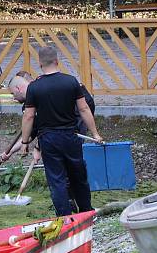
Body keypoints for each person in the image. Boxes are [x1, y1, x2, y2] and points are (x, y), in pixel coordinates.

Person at [21, 46, 103, 216]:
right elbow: (84, 109)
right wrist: (95, 133)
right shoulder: (71, 81)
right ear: (57, 61)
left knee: (57, 180)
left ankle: (65, 218)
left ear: (40, 64)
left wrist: (24, 142)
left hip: (48, 139)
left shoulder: (34, 87)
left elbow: (29, 116)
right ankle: (87, 212)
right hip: (70, 136)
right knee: (78, 175)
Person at [2, 70, 96, 162]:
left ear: (20, 88)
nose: (13, 97)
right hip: (68, 109)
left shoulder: (43, 95)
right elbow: (32, 133)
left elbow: (50, 125)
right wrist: (10, 151)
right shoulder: (30, 104)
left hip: (77, 104)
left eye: (13, 93)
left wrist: (38, 148)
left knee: (71, 139)